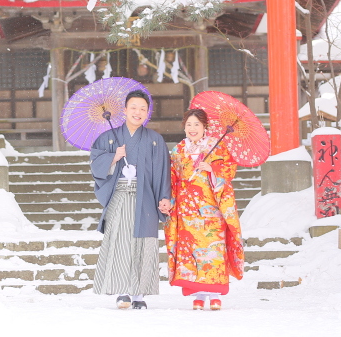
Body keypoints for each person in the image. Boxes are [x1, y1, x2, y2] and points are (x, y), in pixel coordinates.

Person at [89, 89, 171, 310]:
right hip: (120, 195)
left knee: (143, 244)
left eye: (143, 109)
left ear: (147, 113)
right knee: (120, 242)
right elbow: (95, 164)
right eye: (133, 107)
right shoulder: (108, 137)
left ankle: (139, 294)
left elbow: (164, 172)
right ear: (124, 110)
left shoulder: (155, 140)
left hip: (146, 197)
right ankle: (123, 291)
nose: (138, 112)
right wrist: (114, 156)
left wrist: (164, 197)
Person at [164, 108, 244, 311]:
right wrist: (171, 198)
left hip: (211, 209)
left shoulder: (216, 147)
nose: (192, 129)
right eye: (189, 124)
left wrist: (212, 170)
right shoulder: (179, 150)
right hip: (187, 209)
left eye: (197, 125)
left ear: (205, 127)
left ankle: (215, 294)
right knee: (191, 252)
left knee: (213, 250)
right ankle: (198, 294)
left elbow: (229, 169)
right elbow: (172, 177)